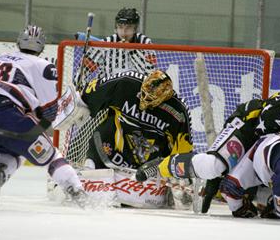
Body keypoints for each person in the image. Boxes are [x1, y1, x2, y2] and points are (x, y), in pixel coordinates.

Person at [135, 65, 280, 214]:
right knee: (214, 166)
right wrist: (240, 166)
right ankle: (160, 166)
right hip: (248, 126)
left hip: (263, 140)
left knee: (276, 181)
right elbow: (266, 122)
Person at [0, 25, 86, 209]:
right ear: (42, 46)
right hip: (9, 115)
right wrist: (38, 127)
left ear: (18, 41)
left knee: (10, 152)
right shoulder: (43, 66)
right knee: (52, 156)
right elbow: (50, 111)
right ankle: (78, 193)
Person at [55, 70, 193, 208]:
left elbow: (182, 155)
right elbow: (89, 92)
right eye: (142, 94)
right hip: (110, 149)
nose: (143, 100)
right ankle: (86, 175)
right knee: (101, 136)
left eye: (149, 98)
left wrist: (178, 179)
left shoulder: (178, 112)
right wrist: (75, 105)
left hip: (146, 166)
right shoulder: (125, 83)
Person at [80, 7, 157, 79]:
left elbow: (151, 73)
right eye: (120, 27)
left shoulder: (145, 43)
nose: (123, 32)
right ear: (116, 27)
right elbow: (83, 71)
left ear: (135, 29)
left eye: (128, 27)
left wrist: (132, 51)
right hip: (108, 89)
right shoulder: (105, 44)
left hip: (136, 88)